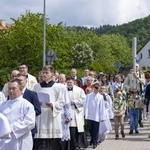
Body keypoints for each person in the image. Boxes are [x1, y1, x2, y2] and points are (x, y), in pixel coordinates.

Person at [33, 65, 65, 150]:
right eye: (43, 72)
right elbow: (33, 100)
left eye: (46, 73)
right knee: (41, 141)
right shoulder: (37, 86)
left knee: (53, 141)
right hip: (41, 115)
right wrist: (37, 103)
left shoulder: (57, 86)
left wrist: (53, 105)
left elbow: (61, 101)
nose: (44, 74)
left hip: (52, 115)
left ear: (52, 74)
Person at [0, 79, 35, 150]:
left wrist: (11, 129)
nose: (11, 91)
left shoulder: (27, 105)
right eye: (9, 88)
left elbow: (30, 122)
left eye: (14, 88)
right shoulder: (3, 105)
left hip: (21, 140)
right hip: (6, 141)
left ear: (21, 89)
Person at [17, 73, 41, 139]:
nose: (19, 82)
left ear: (26, 81)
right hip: (16, 127)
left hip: (29, 127)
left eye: (20, 80)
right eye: (17, 80)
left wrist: (27, 117)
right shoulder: (12, 94)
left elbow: (38, 110)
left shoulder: (32, 94)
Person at [66, 76, 87, 150]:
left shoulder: (79, 90)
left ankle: (76, 145)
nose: (69, 84)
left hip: (75, 112)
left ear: (74, 82)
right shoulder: (63, 90)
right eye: (67, 82)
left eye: (70, 82)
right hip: (66, 112)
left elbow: (83, 99)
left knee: (75, 130)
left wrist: (74, 102)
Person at [85, 83, 106, 149]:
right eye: (94, 89)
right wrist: (85, 113)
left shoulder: (100, 97)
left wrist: (102, 116)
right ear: (93, 88)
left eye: (97, 90)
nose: (95, 91)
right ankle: (92, 138)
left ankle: (95, 142)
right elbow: (86, 105)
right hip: (89, 115)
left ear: (98, 90)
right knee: (90, 129)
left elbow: (102, 107)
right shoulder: (89, 96)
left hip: (96, 116)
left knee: (95, 130)